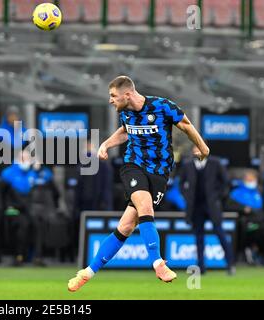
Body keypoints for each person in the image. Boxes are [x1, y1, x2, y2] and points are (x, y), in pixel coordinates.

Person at [68, 75, 210, 291]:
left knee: (125, 226)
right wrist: (106, 144)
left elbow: (186, 124)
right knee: (145, 207)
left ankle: (88, 271)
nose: (110, 100)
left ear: (127, 94)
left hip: (160, 172)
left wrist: (203, 147)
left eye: (113, 96)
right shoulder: (125, 111)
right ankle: (158, 263)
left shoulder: (162, 107)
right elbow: (125, 131)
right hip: (133, 166)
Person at [179, 146, 235, 275]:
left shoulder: (215, 163)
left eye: (199, 148)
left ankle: (230, 265)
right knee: (199, 237)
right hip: (196, 207)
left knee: (220, 234)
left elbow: (225, 183)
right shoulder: (187, 165)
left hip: (212, 206)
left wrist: (217, 197)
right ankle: (201, 267)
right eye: (194, 149)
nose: (196, 151)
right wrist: (187, 196)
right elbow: (181, 183)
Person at [0, 149, 36, 266]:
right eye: (23, 158)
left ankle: (33, 257)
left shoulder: (32, 174)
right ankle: (18, 256)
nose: (25, 161)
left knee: (36, 224)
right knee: (21, 225)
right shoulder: (7, 174)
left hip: (27, 210)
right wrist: (2, 209)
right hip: (12, 210)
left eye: (28, 159)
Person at [227, 170, 264, 265]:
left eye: (253, 179)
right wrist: (243, 208)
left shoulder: (257, 193)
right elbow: (229, 205)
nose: (252, 181)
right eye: (249, 179)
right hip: (248, 225)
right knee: (262, 231)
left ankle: (263, 256)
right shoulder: (236, 192)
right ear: (244, 179)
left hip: (261, 223)